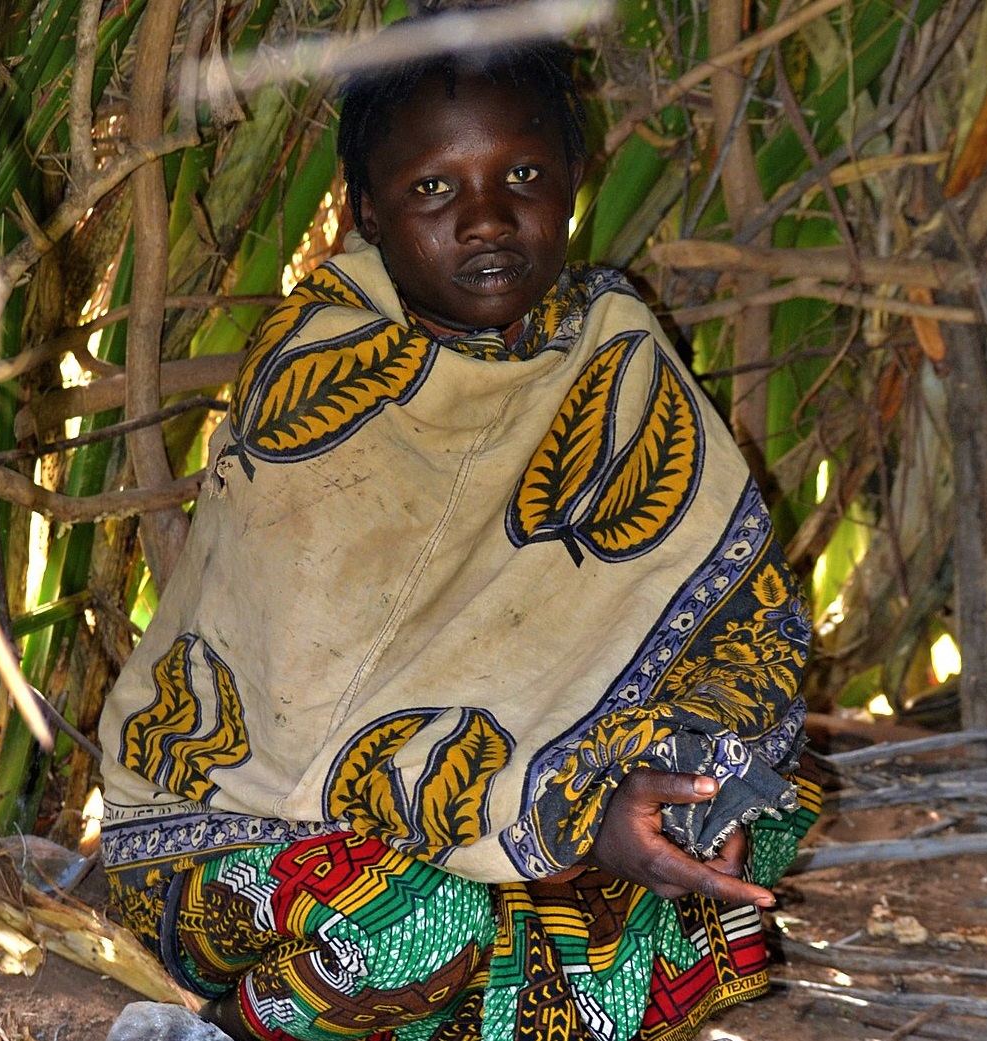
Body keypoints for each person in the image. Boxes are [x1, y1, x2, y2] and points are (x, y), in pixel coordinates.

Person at [99, 27, 819, 1041]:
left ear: (573, 177)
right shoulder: (322, 379)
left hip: (510, 805)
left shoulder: (614, 353)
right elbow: (319, 724)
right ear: (367, 214)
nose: (487, 219)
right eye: (434, 191)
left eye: (522, 173)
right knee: (417, 926)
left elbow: (735, 627)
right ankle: (234, 1025)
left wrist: (675, 774)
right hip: (246, 828)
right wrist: (573, 812)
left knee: (743, 822)